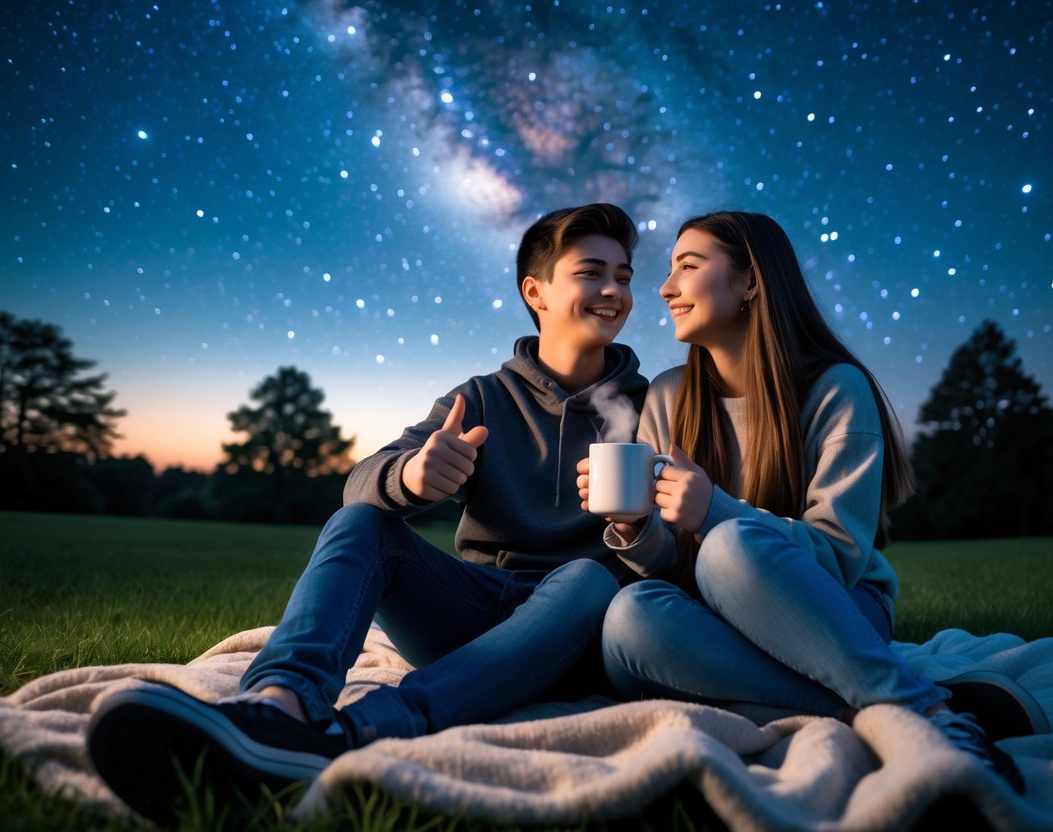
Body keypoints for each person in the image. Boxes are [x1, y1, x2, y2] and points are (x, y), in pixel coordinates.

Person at [87, 203, 649, 824]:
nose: (612, 290)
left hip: (571, 629)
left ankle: (356, 736)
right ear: (535, 292)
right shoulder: (481, 397)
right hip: (474, 613)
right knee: (361, 523)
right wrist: (411, 475)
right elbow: (359, 484)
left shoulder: (654, 404)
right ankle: (278, 710)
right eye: (591, 272)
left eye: (623, 276)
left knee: (589, 578)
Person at [575, 211, 1047, 794]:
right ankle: (893, 701)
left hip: (836, 608)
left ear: (751, 282)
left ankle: (932, 720)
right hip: (715, 620)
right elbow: (665, 565)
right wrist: (634, 525)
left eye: (688, 268)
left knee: (729, 545)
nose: (665, 287)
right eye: (669, 271)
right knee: (629, 618)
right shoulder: (669, 395)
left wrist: (715, 511)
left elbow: (843, 557)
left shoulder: (835, 388)